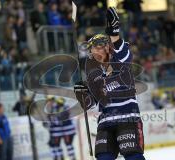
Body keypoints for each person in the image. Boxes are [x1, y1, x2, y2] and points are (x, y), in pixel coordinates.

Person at [74, 7, 145, 160]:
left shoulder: (120, 59)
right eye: (93, 48)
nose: (95, 50)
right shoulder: (93, 76)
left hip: (128, 118)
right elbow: (91, 104)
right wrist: (81, 94)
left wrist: (114, 32)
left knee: (133, 157)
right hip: (105, 122)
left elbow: (120, 48)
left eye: (99, 46)